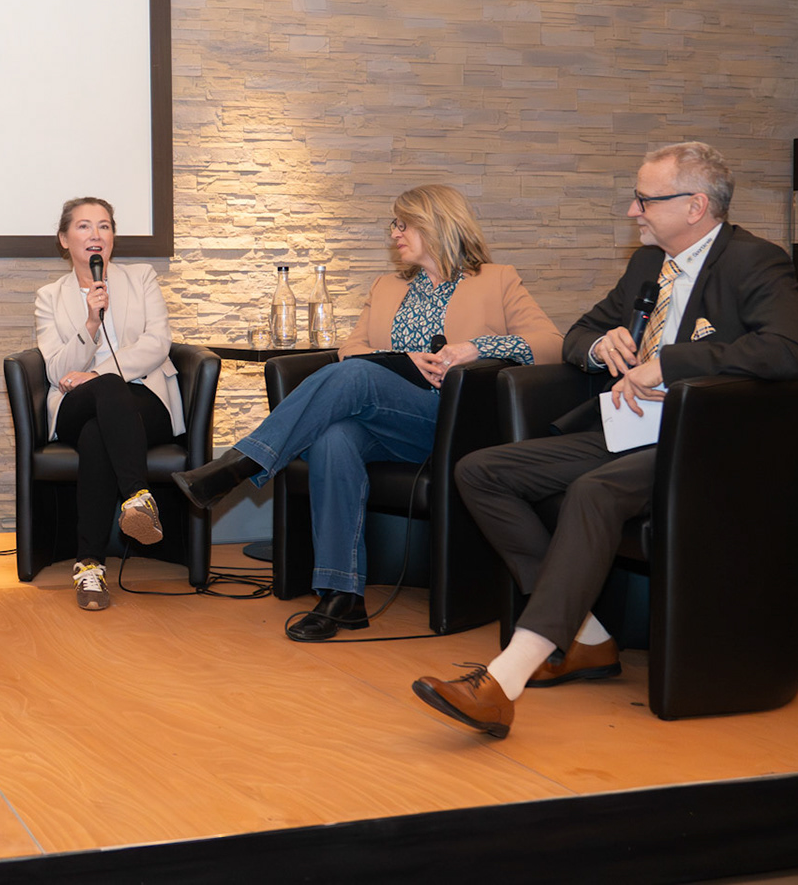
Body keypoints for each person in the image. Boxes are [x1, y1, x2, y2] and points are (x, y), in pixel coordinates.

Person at [412, 143, 798, 739]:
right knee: (480, 471)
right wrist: (600, 346)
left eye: (646, 199)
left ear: (696, 206)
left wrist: (670, 364)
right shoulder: (645, 266)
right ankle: (591, 639)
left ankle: (504, 680)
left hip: (698, 444)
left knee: (593, 492)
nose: (634, 211)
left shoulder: (755, 262)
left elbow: (792, 349)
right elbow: (577, 334)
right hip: (625, 429)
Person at [173, 184, 562, 640]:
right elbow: (351, 348)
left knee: (355, 377)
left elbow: (551, 345)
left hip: (453, 422)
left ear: (436, 223)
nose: (394, 233)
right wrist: (401, 359)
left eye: (403, 223)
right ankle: (343, 596)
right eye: (394, 224)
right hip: (389, 418)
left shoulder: (496, 280)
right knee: (334, 436)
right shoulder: (389, 286)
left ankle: (242, 463)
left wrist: (475, 349)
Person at [35, 197, 186, 611]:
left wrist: (99, 376)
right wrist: (89, 323)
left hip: (143, 400)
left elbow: (158, 342)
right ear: (65, 240)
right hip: (74, 402)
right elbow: (56, 370)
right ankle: (137, 495)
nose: (96, 235)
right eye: (84, 227)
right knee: (102, 399)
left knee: (98, 431)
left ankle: (89, 567)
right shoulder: (50, 296)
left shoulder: (140, 278)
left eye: (104, 226)